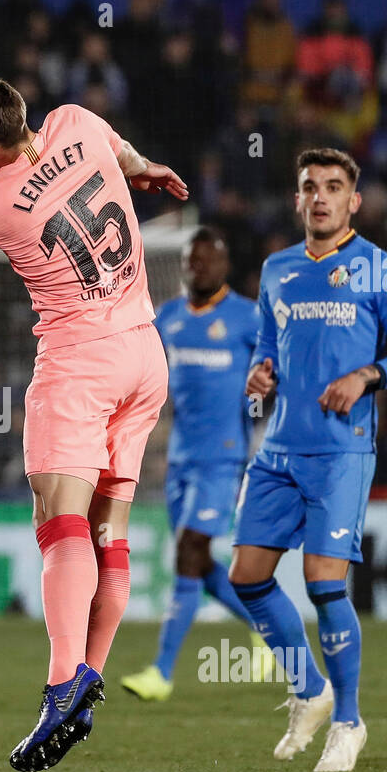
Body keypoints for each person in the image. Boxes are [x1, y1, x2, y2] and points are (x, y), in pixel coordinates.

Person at [0, 77, 187, 772]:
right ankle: (91, 676)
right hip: (143, 352)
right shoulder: (76, 120)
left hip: (79, 365)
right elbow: (124, 152)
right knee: (110, 531)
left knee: (58, 520)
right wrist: (143, 168)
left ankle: (62, 682)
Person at [229, 148, 387, 772]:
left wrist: (368, 375)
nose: (320, 197)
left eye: (333, 187)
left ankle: (347, 721)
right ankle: (310, 689)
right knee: (246, 578)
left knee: (323, 585)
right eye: (309, 187)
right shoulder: (276, 269)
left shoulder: (377, 269)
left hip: (340, 451)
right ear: (297, 199)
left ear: (354, 201)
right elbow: (269, 343)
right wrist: (259, 372)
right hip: (279, 450)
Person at [120, 227, 274, 701]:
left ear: (225, 266)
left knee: (188, 552)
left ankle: (162, 672)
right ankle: (267, 628)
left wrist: (266, 381)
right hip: (181, 461)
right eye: (191, 260)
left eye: (206, 260)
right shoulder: (167, 319)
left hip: (223, 459)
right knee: (200, 562)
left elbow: (277, 364)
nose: (197, 267)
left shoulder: (248, 318)